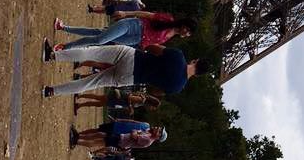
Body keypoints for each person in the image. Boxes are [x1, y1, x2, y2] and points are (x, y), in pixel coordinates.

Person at [43, 42, 198, 98]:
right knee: (89, 83)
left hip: (133, 57)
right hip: (131, 78)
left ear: (195, 61)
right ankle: (51, 91)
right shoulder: (178, 87)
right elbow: (155, 92)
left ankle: (52, 55)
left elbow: (154, 48)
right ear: (197, 75)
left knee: (92, 52)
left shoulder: (179, 56)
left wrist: (147, 49)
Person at [52, 11, 195, 51]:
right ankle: (65, 44)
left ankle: (64, 30)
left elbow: (148, 44)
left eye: (189, 33)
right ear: (184, 25)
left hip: (134, 40)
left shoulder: (168, 38)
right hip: (134, 25)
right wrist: (126, 14)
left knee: (97, 34)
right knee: (100, 39)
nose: (186, 33)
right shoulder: (168, 19)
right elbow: (147, 15)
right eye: (188, 30)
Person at [71, 120, 167, 153]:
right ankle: (78, 136)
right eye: (160, 129)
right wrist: (137, 132)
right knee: (100, 134)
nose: (158, 129)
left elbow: (134, 135)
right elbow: (135, 133)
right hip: (121, 136)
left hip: (121, 141)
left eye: (160, 131)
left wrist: (136, 132)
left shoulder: (148, 140)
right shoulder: (148, 133)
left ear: (158, 137)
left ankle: (76, 141)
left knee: (99, 142)